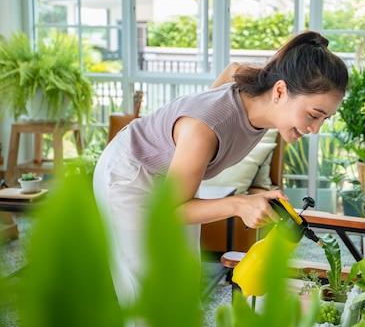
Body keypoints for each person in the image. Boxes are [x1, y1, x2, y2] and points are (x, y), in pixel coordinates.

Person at [92, 30, 349, 308]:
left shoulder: (259, 92)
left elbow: (232, 70)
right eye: (313, 115)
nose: (315, 129)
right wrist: (238, 204)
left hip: (172, 174)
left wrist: (192, 146)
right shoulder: (203, 130)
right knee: (147, 295)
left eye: (325, 119)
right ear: (280, 91)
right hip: (131, 173)